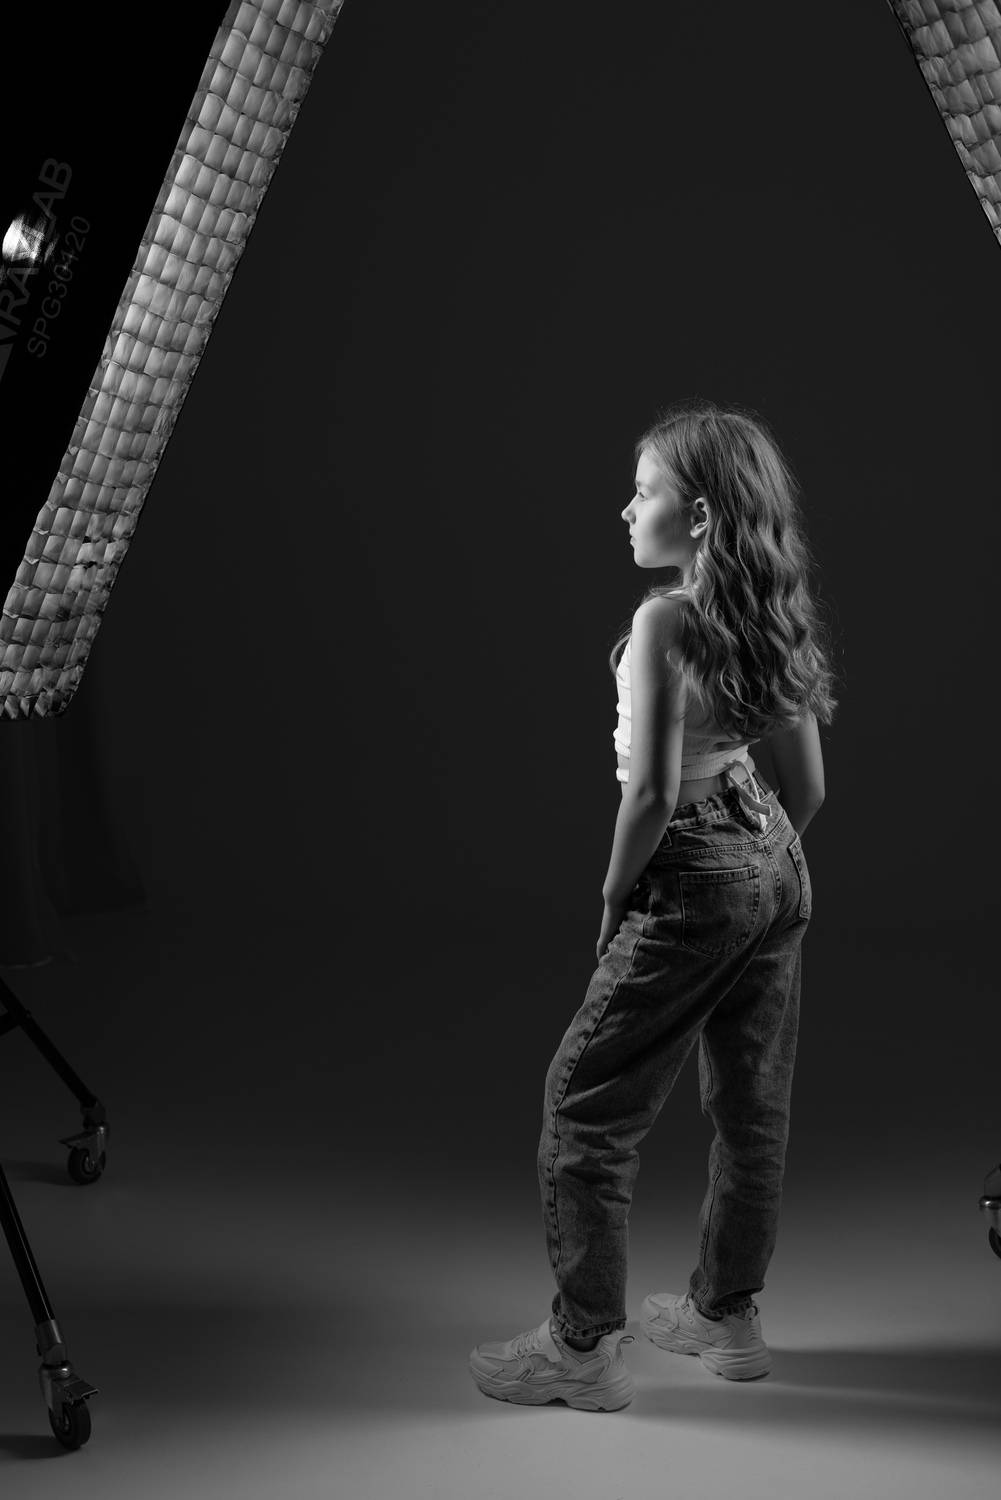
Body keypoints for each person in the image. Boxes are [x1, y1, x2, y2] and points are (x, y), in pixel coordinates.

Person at [469, 400, 838, 1411]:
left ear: (701, 515)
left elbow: (649, 794)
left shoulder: (663, 621)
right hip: (772, 857)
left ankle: (581, 1347)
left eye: (643, 493)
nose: (625, 511)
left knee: (584, 1108)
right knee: (751, 1110)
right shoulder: (770, 610)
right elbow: (807, 788)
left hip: (692, 867)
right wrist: (758, 865)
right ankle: (727, 1315)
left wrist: (614, 895)